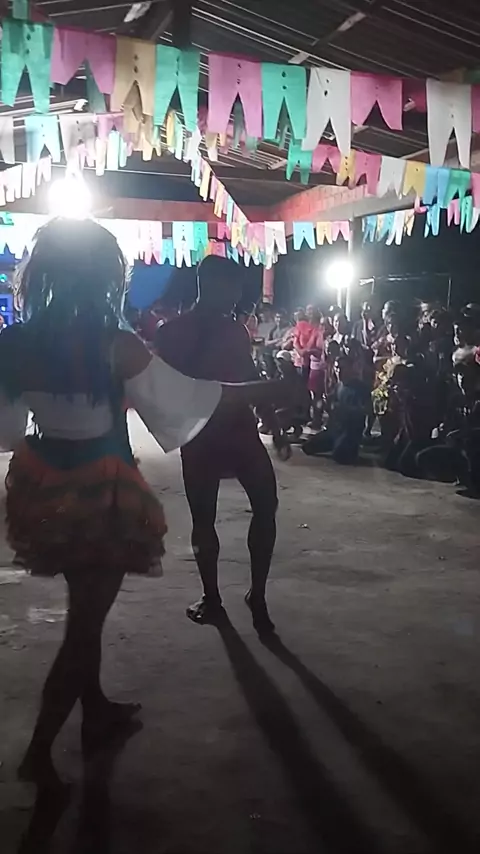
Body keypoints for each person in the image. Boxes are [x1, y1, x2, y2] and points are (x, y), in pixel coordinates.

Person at [0, 220, 286, 788]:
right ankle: (38, 752)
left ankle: (96, 712)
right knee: (84, 625)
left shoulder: (14, 343)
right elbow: (191, 401)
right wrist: (271, 391)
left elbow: (8, 432)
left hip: (44, 482)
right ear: (106, 277)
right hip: (103, 491)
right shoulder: (115, 344)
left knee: (85, 610)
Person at [155, 255, 281, 635]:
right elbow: (174, 390)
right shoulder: (180, 333)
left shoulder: (203, 331)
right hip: (213, 434)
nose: (238, 295)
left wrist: (273, 421)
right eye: (234, 287)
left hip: (218, 434)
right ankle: (229, 596)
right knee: (219, 516)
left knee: (251, 509)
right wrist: (270, 415)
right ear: (211, 285)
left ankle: (236, 596)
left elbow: (247, 373)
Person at [302, 355, 370, 464]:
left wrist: (344, 409)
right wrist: (325, 404)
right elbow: (330, 402)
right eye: (338, 368)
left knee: (341, 456)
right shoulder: (339, 386)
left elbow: (366, 410)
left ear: (351, 368)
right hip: (335, 428)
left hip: (349, 430)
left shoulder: (361, 387)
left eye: (343, 368)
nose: (339, 371)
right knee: (308, 446)